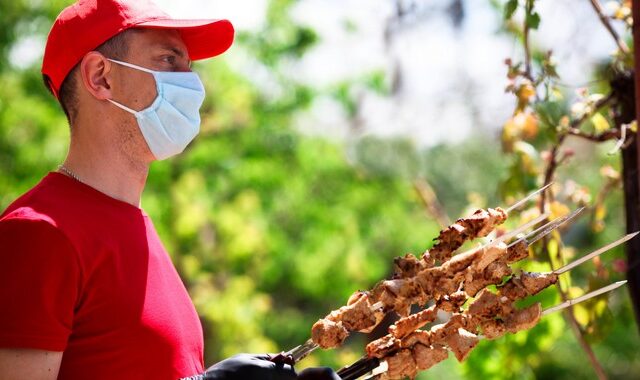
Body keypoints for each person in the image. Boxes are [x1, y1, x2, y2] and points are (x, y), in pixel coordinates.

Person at [0, 1, 340, 379]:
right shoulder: (38, 233)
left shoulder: (136, 224)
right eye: (168, 60)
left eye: (188, 68)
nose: (192, 84)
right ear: (101, 77)